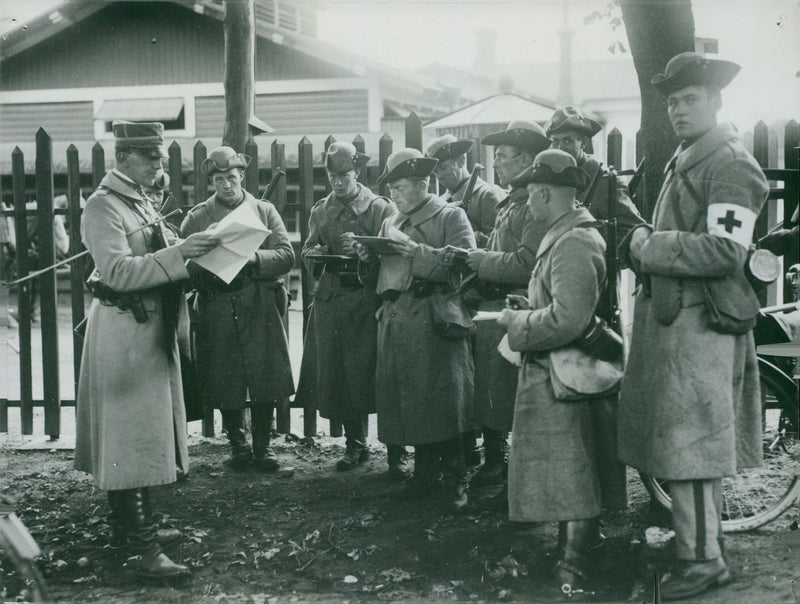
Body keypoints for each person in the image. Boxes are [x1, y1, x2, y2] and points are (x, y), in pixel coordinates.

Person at [617, 52, 768, 601]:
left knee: (693, 448)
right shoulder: (687, 158)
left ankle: (705, 561)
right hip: (677, 325)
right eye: (673, 102)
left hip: (702, 326)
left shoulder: (730, 163)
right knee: (681, 447)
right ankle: (694, 545)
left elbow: (726, 251)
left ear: (717, 101)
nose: (678, 110)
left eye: (690, 99)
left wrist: (645, 246)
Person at [74, 120, 220, 580]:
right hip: (124, 334)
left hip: (145, 331)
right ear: (123, 158)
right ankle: (142, 549)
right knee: (131, 437)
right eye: (150, 156)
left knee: (136, 434)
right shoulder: (103, 207)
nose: (159, 163)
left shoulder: (136, 200)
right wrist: (180, 255)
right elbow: (117, 272)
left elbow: (150, 252)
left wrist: (185, 247)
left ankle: (129, 524)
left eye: (158, 156)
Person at [497, 149, 610, 595]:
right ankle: (576, 546)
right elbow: (562, 307)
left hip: (564, 376)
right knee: (564, 461)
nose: (527, 203)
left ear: (543, 193)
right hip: (557, 372)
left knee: (571, 462)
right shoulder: (566, 235)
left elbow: (570, 319)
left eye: (529, 195)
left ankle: (576, 560)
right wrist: (532, 308)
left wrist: (518, 323)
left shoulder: (575, 242)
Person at [362, 148, 476, 513]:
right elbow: (379, 277)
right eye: (391, 189)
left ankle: (457, 478)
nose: (392, 195)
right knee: (410, 400)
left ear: (422, 183)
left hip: (434, 319)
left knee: (445, 403)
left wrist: (416, 252)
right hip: (396, 317)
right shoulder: (389, 222)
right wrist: (367, 259)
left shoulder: (451, 216)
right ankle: (426, 474)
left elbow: (466, 270)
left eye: (399, 188)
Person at [294, 142, 409, 478]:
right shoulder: (321, 210)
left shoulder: (379, 209)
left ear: (357, 172)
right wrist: (314, 252)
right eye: (332, 175)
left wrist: (365, 252)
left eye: (344, 175)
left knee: (380, 376)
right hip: (332, 303)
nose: (338, 182)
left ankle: (396, 451)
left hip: (367, 301)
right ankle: (354, 444)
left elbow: (394, 253)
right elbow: (309, 247)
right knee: (341, 376)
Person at [180, 146, 295, 472]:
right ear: (211, 181)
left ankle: (263, 447)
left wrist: (254, 257)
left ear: (241, 176)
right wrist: (208, 257)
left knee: (264, 375)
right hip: (216, 302)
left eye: (231, 178)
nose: (226, 186)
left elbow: (286, 255)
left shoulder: (263, 211)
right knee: (224, 377)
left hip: (257, 301)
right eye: (219, 180)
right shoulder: (198, 217)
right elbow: (182, 264)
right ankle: (238, 445)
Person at [462, 121, 551, 490]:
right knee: (492, 387)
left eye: (502, 156)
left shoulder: (534, 204)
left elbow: (529, 262)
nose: (495, 163)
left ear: (527, 159)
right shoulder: (513, 200)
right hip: (496, 308)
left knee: (512, 390)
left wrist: (482, 260)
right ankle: (497, 459)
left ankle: (513, 467)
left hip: (518, 307)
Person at [546, 105, 644, 244]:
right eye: (555, 141)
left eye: (567, 141)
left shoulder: (605, 182)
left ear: (583, 143)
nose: (560, 148)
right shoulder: (551, 177)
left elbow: (632, 232)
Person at [425, 134, 504, 247]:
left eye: (443, 167)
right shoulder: (441, 202)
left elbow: (500, 242)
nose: (439, 176)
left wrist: (468, 236)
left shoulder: (486, 195)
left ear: (461, 160)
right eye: (436, 172)